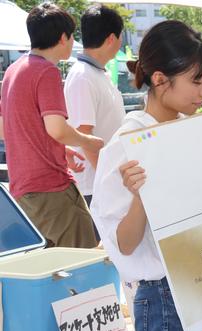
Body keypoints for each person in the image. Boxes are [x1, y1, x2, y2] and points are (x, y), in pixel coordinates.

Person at [91, 20, 202, 331]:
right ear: (160, 79)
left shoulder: (188, 131)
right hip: (162, 297)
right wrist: (141, 196)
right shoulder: (127, 144)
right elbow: (123, 244)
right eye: (197, 81)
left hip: (201, 285)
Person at [0, 2, 103, 248]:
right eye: (71, 36)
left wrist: (58, 148)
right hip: (52, 188)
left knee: (52, 272)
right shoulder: (47, 71)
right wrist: (89, 142)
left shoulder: (13, 70)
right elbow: (56, 128)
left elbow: (7, 128)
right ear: (62, 38)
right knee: (83, 265)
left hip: (23, 190)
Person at [64, 5, 125, 221]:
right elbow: (85, 134)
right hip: (94, 184)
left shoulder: (97, 73)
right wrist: (109, 181)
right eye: (120, 37)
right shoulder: (83, 77)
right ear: (111, 38)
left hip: (105, 178)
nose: (120, 43)